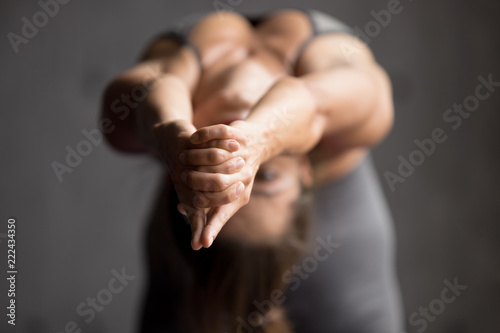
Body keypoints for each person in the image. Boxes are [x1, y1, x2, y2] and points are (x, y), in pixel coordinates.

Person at [101, 7, 405, 333]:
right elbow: (312, 102)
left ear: (174, 180)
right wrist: (258, 139)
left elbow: (156, 90)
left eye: (214, 185)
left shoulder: (131, 123)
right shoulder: (354, 124)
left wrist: (171, 133)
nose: (239, 171)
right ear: (304, 170)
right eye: (267, 175)